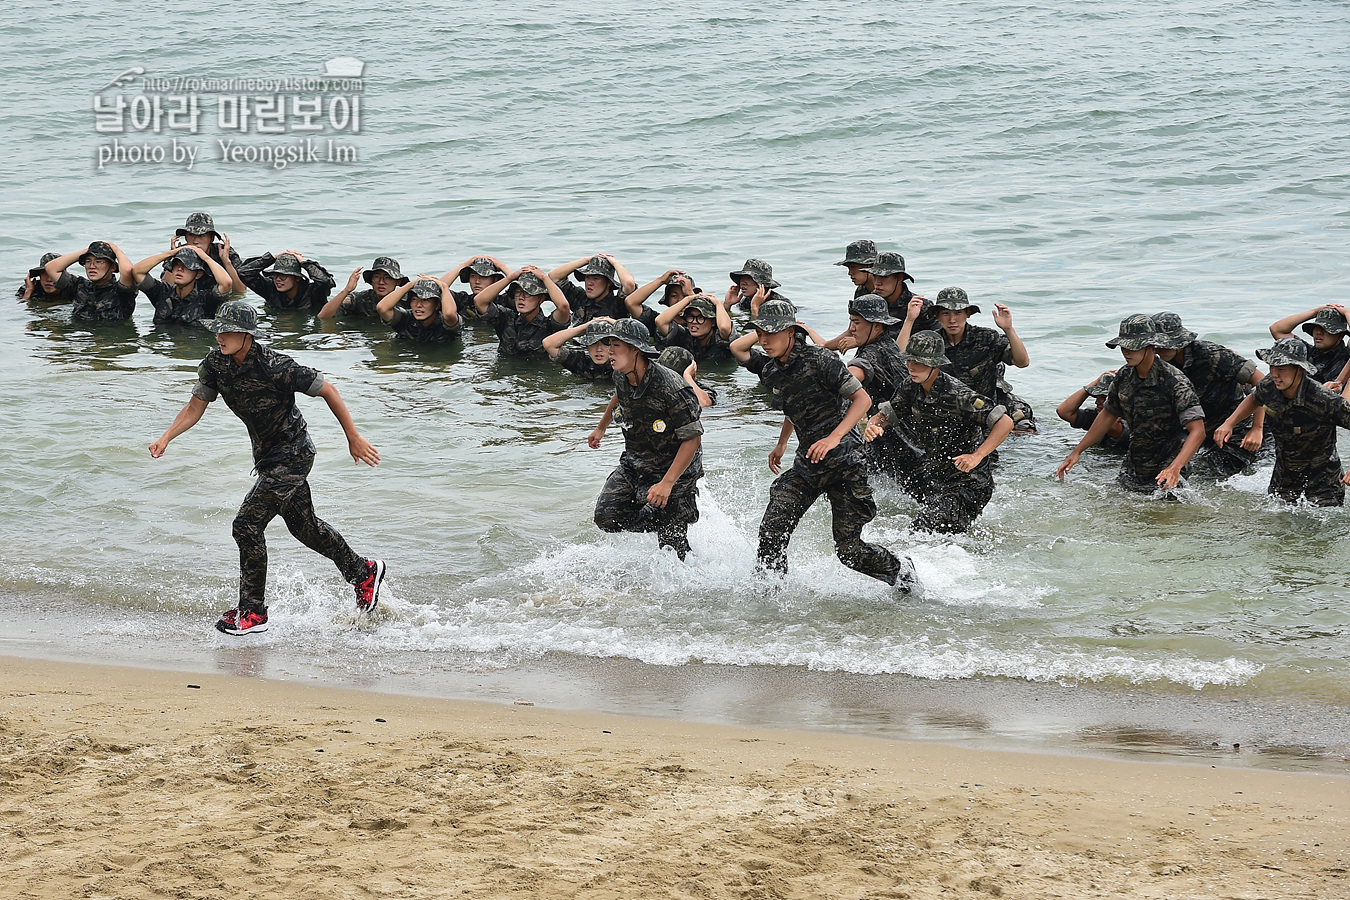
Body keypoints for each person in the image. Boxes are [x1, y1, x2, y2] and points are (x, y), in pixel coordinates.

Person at [148, 300, 386, 635]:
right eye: (218, 329)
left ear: (247, 334)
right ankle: (363, 572)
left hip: (293, 454)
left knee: (246, 525)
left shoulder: (276, 365)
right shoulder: (216, 364)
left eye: (229, 330)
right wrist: (166, 437)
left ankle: (253, 612)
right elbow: (194, 405)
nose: (220, 335)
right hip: (267, 459)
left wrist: (353, 438)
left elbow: (327, 389)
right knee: (306, 529)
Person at [730, 299, 916, 591]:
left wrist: (833, 437)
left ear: (791, 332)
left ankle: (902, 571)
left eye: (772, 333)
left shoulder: (820, 360)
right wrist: (781, 444)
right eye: (760, 333)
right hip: (809, 463)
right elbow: (794, 406)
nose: (765, 341)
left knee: (849, 552)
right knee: (772, 529)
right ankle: (768, 593)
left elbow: (862, 400)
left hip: (845, 463)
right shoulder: (773, 370)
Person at [864, 330, 1015, 534]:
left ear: (936, 364)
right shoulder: (910, 386)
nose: (912, 367)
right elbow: (886, 414)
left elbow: (1005, 422)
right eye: (909, 361)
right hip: (935, 477)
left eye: (919, 363)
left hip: (969, 483)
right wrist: (873, 425)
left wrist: (976, 456)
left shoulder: (958, 395)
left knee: (920, 532)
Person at [589, 319, 704, 560]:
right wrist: (601, 428)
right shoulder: (621, 375)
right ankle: (661, 518)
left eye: (616, 345)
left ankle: (679, 532)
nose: (609, 351)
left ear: (635, 349)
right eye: (609, 344)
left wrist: (667, 483)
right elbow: (619, 397)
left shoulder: (671, 387)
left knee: (673, 550)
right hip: (636, 462)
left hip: (674, 470)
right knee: (606, 518)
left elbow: (692, 438)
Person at [1056, 315, 1206, 494]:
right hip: (1135, 462)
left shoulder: (1174, 381)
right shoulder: (1124, 376)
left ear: (1150, 346)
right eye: (1123, 347)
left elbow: (1198, 431)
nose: (1126, 352)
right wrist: (1077, 451)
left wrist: (1176, 467)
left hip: (1170, 463)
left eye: (1132, 347)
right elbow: (1107, 415)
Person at [1215, 338, 1350, 506]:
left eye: (1281, 368)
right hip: (1284, 479)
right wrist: (1229, 423)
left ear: (1299, 370)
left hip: (1323, 483)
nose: (1274, 374)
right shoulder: (1270, 384)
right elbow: (1255, 397)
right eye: (1272, 367)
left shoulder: (1323, 399)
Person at [901, 287, 1036, 433]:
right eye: (945, 313)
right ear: (937, 316)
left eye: (958, 313)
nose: (952, 320)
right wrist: (909, 320)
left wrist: (1009, 329)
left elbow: (1022, 362)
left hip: (985, 410)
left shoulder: (986, 338)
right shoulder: (932, 342)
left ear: (968, 314)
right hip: (947, 412)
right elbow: (901, 360)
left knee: (1025, 430)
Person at [1152, 311, 1265, 476]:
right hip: (1198, 433)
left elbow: (1263, 385)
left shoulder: (1213, 355)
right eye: (1155, 345)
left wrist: (1257, 429)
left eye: (1163, 344)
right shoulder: (1162, 365)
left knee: (1204, 475)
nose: (1158, 350)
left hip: (1235, 429)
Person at [844, 294, 925, 479]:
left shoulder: (870, 354)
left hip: (897, 440)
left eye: (857, 322)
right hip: (909, 435)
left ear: (877, 325)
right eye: (851, 321)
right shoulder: (889, 345)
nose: (851, 328)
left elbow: (853, 375)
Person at [472, 265, 570, 358]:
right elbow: (479, 301)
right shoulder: (507, 319)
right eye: (518, 292)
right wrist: (510, 278)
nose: (521, 297)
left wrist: (544, 278)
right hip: (506, 373)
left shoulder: (550, 326)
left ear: (541, 299)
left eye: (528, 293)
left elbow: (563, 306)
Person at [131, 245, 234, 326]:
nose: (180, 269)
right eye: (176, 265)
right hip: (165, 347)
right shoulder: (162, 292)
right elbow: (137, 271)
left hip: (194, 349)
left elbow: (226, 283)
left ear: (198, 274)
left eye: (187, 266)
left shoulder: (206, 300)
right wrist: (170, 253)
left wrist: (205, 258)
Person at [44, 241, 137, 323]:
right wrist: (88, 250)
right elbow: (51, 268)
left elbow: (127, 270)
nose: (92, 266)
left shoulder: (120, 291)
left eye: (99, 261)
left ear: (113, 267)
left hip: (111, 339)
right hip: (81, 338)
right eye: (88, 261)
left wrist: (117, 251)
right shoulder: (79, 286)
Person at [1268, 304, 1350, 388]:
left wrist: (1347, 313)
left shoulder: (1346, 357)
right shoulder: (1305, 351)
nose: (1319, 332)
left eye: (1327, 329)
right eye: (1317, 327)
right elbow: (1277, 330)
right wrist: (1314, 312)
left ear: (1341, 335)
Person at [167, 213, 244, 295]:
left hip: (216, 297)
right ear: (185, 237)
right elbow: (166, 290)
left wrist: (226, 262)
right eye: (191, 235)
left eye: (202, 236)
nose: (195, 241)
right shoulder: (179, 253)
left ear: (211, 238)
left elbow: (240, 290)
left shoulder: (223, 252)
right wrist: (173, 258)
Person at [1055, 371, 1130, 453]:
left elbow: (1111, 426)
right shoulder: (1098, 416)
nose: (1097, 402)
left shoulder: (1132, 423)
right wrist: (1094, 383)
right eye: (1097, 397)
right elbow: (1064, 411)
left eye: (1103, 397)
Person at [238, 250, 336, 313]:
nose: (278, 279)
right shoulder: (270, 289)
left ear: (297, 278)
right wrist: (273, 257)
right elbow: (244, 272)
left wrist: (304, 263)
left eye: (284, 276)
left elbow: (324, 281)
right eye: (275, 275)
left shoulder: (313, 293)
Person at [550, 254, 636, 324]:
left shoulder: (618, 304)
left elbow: (629, 284)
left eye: (596, 278)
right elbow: (554, 276)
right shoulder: (580, 298)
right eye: (587, 277)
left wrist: (615, 263)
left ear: (609, 283)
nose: (589, 283)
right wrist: (587, 260)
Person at [865, 251, 934, 334]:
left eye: (884, 276)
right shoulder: (869, 303)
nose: (877, 282)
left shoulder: (920, 307)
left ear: (899, 278)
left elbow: (940, 339)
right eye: (875, 276)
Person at [318, 257, 410, 319]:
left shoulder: (406, 301)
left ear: (397, 281)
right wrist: (347, 290)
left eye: (387, 278)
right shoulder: (359, 299)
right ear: (371, 280)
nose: (381, 282)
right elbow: (323, 316)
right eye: (377, 277)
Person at [376, 275, 461, 342]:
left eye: (425, 300)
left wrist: (444, 287)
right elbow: (382, 308)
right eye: (414, 299)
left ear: (437, 305)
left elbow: (449, 314)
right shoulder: (405, 318)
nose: (419, 305)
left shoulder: (445, 322)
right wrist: (411, 284)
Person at [655, 293, 737, 362]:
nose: (694, 322)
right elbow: (660, 321)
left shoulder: (719, 338)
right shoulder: (685, 335)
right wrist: (688, 299)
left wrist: (718, 303)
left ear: (713, 322)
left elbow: (724, 328)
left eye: (701, 318)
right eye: (691, 317)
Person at [543, 317, 615, 381]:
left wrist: (616, 324)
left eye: (605, 343)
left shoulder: (621, 365)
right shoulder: (581, 362)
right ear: (587, 346)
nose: (599, 349)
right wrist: (584, 327)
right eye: (593, 343)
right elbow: (548, 344)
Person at [443, 255, 509, 323]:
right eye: (473, 276)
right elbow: (437, 289)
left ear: (495, 279)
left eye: (483, 276)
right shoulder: (463, 300)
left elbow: (520, 287)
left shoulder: (504, 301)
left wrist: (502, 266)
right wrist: (463, 265)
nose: (477, 281)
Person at [723, 258, 789, 318]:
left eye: (749, 278)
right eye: (742, 277)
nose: (743, 282)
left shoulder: (778, 304)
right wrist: (727, 305)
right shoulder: (745, 301)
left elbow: (762, 329)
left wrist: (755, 308)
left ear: (762, 283)